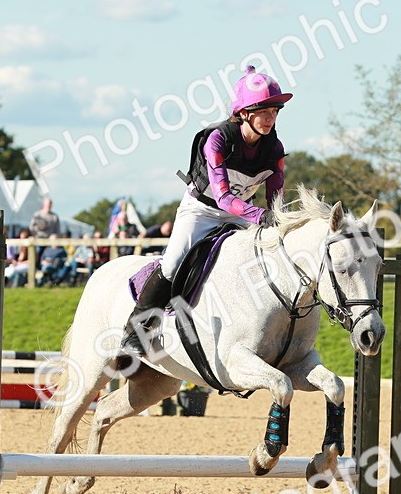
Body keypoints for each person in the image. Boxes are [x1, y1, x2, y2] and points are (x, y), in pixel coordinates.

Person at [120, 65, 291, 354]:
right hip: (201, 210)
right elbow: (223, 197)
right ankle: (136, 330)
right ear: (244, 113)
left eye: (274, 111)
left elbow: (276, 199)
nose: (270, 117)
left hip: (242, 213)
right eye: (263, 111)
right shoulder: (218, 139)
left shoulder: (274, 149)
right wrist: (262, 216)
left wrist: (279, 220)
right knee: (173, 263)